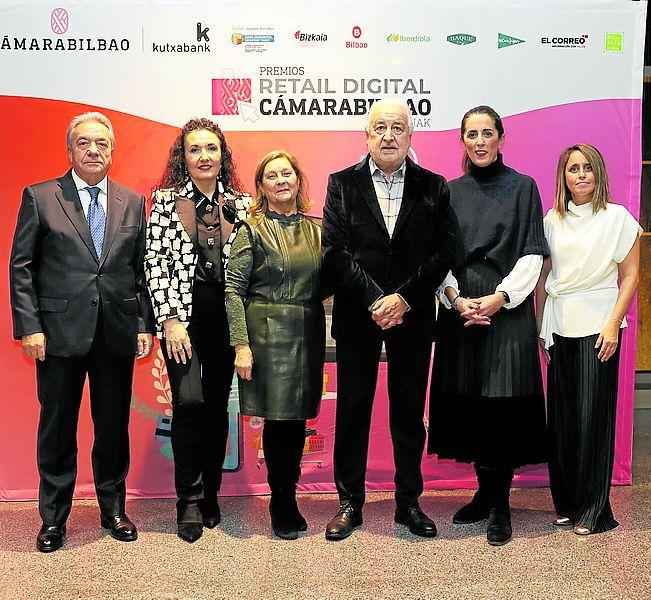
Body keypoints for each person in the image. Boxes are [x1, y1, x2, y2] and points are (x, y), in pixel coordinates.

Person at [9, 111, 155, 552]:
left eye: (102, 144)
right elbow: (22, 267)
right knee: (57, 428)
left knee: (112, 428)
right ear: (70, 150)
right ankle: (53, 518)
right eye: (85, 143)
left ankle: (114, 509)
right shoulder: (40, 196)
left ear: (113, 151)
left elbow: (139, 270)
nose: (94, 150)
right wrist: (29, 326)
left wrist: (143, 323)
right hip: (56, 336)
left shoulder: (132, 201)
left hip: (115, 332)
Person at [322, 98, 455, 540]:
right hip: (359, 317)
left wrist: (404, 299)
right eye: (380, 127)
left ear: (411, 136)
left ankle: (408, 503)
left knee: (408, 413)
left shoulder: (434, 186)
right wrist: (377, 300)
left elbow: (443, 252)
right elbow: (335, 252)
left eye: (398, 127)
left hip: (413, 317)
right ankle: (348, 502)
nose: (389, 135)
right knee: (353, 411)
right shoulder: (341, 184)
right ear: (367, 135)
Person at [429, 105, 549, 546]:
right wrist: (457, 299)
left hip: (507, 308)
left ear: (501, 138)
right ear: (461, 142)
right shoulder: (448, 190)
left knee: (502, 404)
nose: (479, 141)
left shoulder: (524, 188)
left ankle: (501, 505)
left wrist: (498, 299)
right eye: (471, 135)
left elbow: (533, 253)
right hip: (460, 307)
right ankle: (482, 493)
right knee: (471, 404)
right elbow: (438, 255)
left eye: (487, 133)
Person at [144, 118, 251, 543]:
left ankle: (211, 495)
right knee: (188, 403)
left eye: (211, 148)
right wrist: (170, 320)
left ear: (222, 155)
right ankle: (187, 501)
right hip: (182, 323)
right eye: (194, 149)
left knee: (215, 408)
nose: (204, 156)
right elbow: (156, 262)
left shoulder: (242, 206)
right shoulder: (166, 202)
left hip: (226, 321)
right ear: (182, 157)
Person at [536, 143, 641, 535]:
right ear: (563, 176)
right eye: (572, 169)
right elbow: (544, 280)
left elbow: (630, 275)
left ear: (598, 174)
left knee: (592, 420)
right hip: (559, 326)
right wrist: (539, 330)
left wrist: (614, 323)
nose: (580, 175)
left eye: (587, 168)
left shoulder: (618, 218)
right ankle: (568, 505)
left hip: (600, 327)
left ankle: (596, 512)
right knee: (562, 423)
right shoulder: (552, 220)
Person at [225, 150, 325, 540]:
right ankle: (281, 500)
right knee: (277, 421)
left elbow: (332, 280)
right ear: (262, 186)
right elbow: (233, 290)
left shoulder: (319, 230)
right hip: (265, 335)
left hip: (307, 332)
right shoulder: (250, 229)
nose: (281, 180)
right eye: (272, 175)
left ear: (298, 182)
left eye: (288, 174)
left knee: (297, 421)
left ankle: (289, 494)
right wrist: (241, 345)